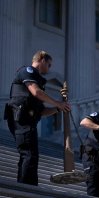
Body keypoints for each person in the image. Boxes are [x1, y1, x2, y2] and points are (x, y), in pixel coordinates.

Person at [3, 50, 71, 186]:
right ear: (42, 59)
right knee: (29, 154)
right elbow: (36, 92)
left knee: (30, 155)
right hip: (21, 120)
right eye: (49, 64)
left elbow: (42, 111)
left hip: (28, 121)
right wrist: (57, 102)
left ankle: (27, 186)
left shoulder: (39, 80)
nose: (49, 68)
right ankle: (26, 189)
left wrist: (58, 108)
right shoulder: (27, 71)